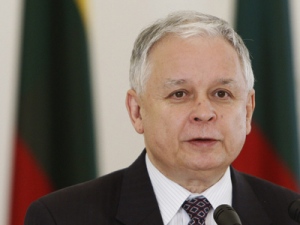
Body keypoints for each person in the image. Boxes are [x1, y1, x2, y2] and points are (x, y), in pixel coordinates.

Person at [25, 10, 300, 225]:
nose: (204, 113)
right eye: (180, 94)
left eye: (221, 93)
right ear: (137, 111)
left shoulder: (290, 216)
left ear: (248, 110)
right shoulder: (61, 218)